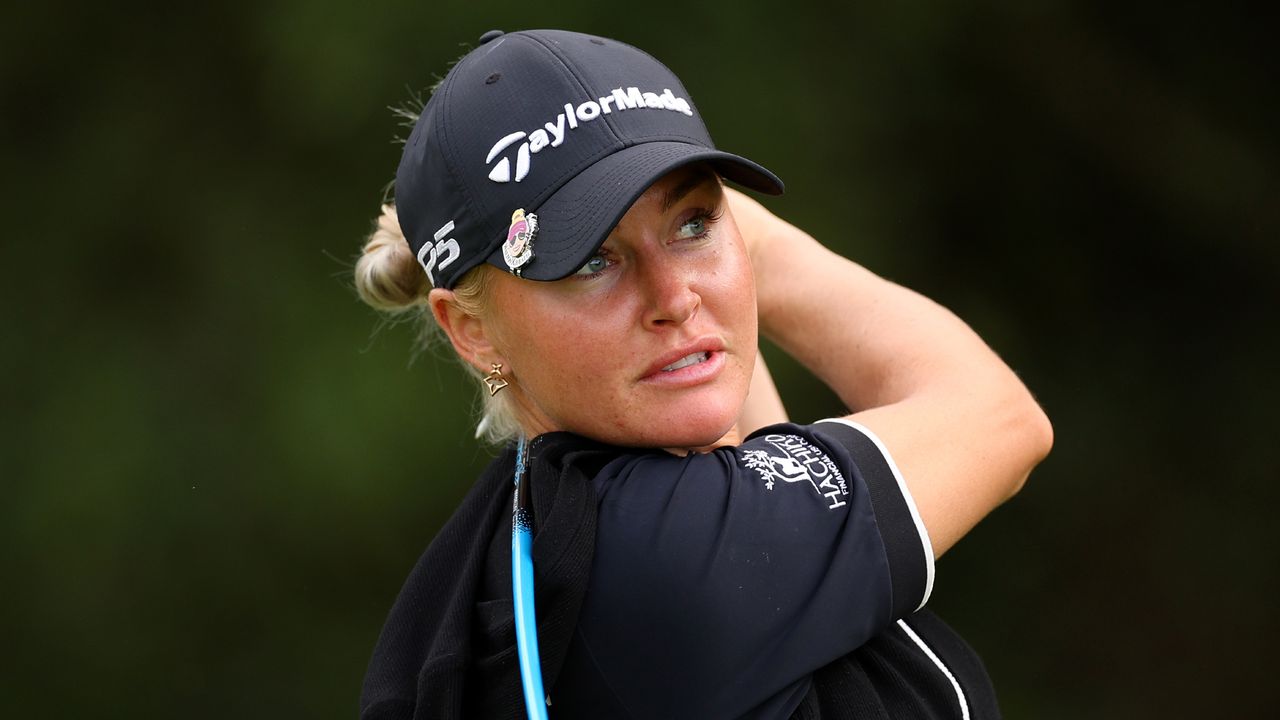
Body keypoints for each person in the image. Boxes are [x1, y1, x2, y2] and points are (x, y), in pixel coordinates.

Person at [354, 28, 1052, 720]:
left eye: (694, 223)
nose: (676, 298)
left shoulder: (547, 542)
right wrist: (738, 232)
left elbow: (759, 453)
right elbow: (996, 416)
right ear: (472, 331)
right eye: (593, 260)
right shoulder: (660, 557)